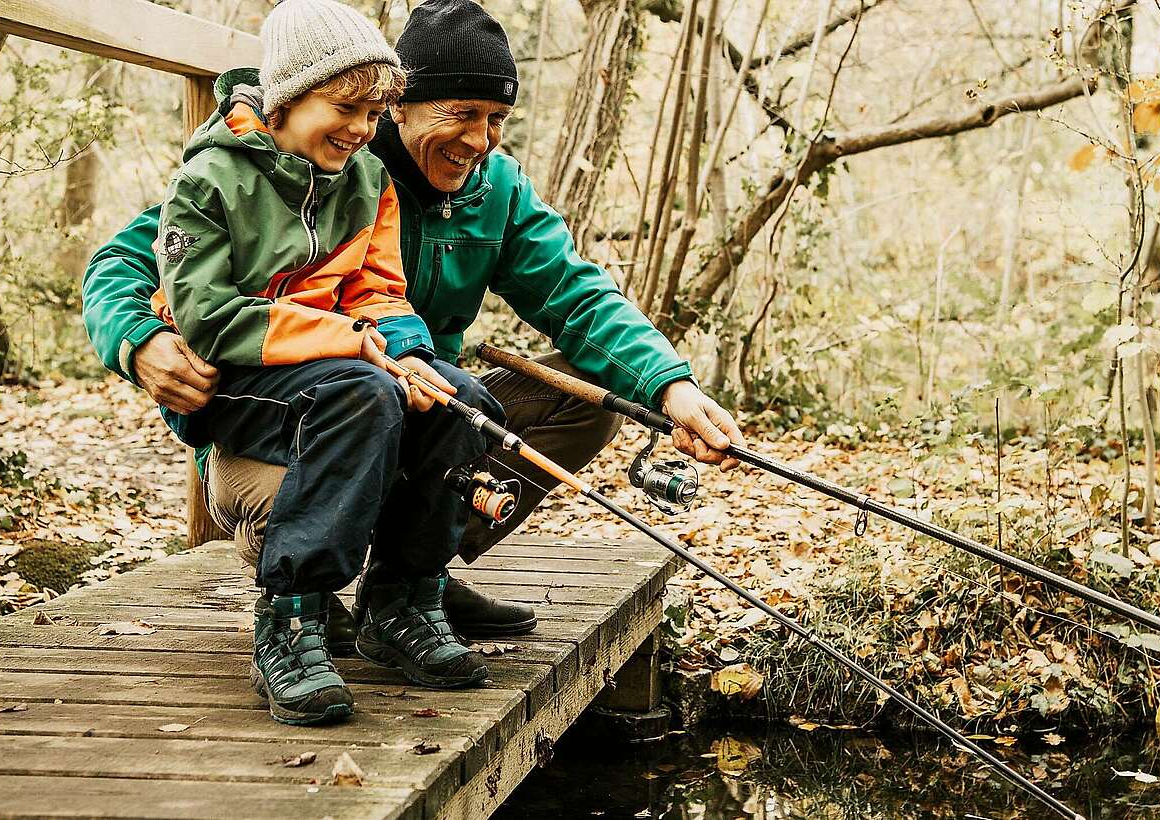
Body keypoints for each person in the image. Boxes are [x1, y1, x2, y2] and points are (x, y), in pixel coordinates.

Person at [82, 0, 743, 661]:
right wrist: (138, 339)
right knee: (350, 426)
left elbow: (577, 296)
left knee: (576, 394)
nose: (479, 140)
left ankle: (411, 578)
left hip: (427, 402)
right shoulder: (306, 161)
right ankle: (301, 581)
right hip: (294, 415)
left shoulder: (496, 190)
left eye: (495, 121)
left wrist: (671, 390)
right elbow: (129, 260)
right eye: (461, 114)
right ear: (400, 104)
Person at [143, 0, 504, 727]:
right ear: (284, 97)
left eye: (374, 113)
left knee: (460, 400)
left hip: (341, 369)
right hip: (238, 381)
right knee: (360, 396)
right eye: (344, 107)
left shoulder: (368, 181)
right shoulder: (209, 180)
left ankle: (402, 604)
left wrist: (409, 355)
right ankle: (292, 620)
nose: (361, 129)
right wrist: (344, 338)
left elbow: (379, 289)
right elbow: (210, 320)